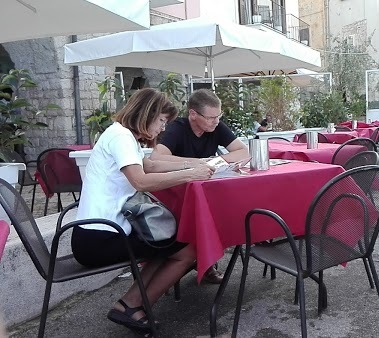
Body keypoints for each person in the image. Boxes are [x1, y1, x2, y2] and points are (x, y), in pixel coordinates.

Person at [72, 88, 215, 334]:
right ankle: (133, 304)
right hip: (98, 240)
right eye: (161, 121)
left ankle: (130, 303)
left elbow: (148, 164)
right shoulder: (121, 138)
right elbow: (141, 180)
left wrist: (199, 163)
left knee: (167, 240)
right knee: (188, 249)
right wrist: (191, 174)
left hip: (95, 232)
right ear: (147, 114)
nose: (162, 128)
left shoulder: (120, 134)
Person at [151, 89, 250, 283]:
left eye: (218, 116)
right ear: (193, 114)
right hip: (178, 194)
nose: (215, 121)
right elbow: (156, 158)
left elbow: (242, 151)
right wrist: (196, 163)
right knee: (206, 216)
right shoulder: (177, 128)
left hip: (206, 189)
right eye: (211, 117)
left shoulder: (215, 127)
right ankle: (198, 261)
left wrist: (214, 161)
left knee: (225, 213)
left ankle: (206, 261)